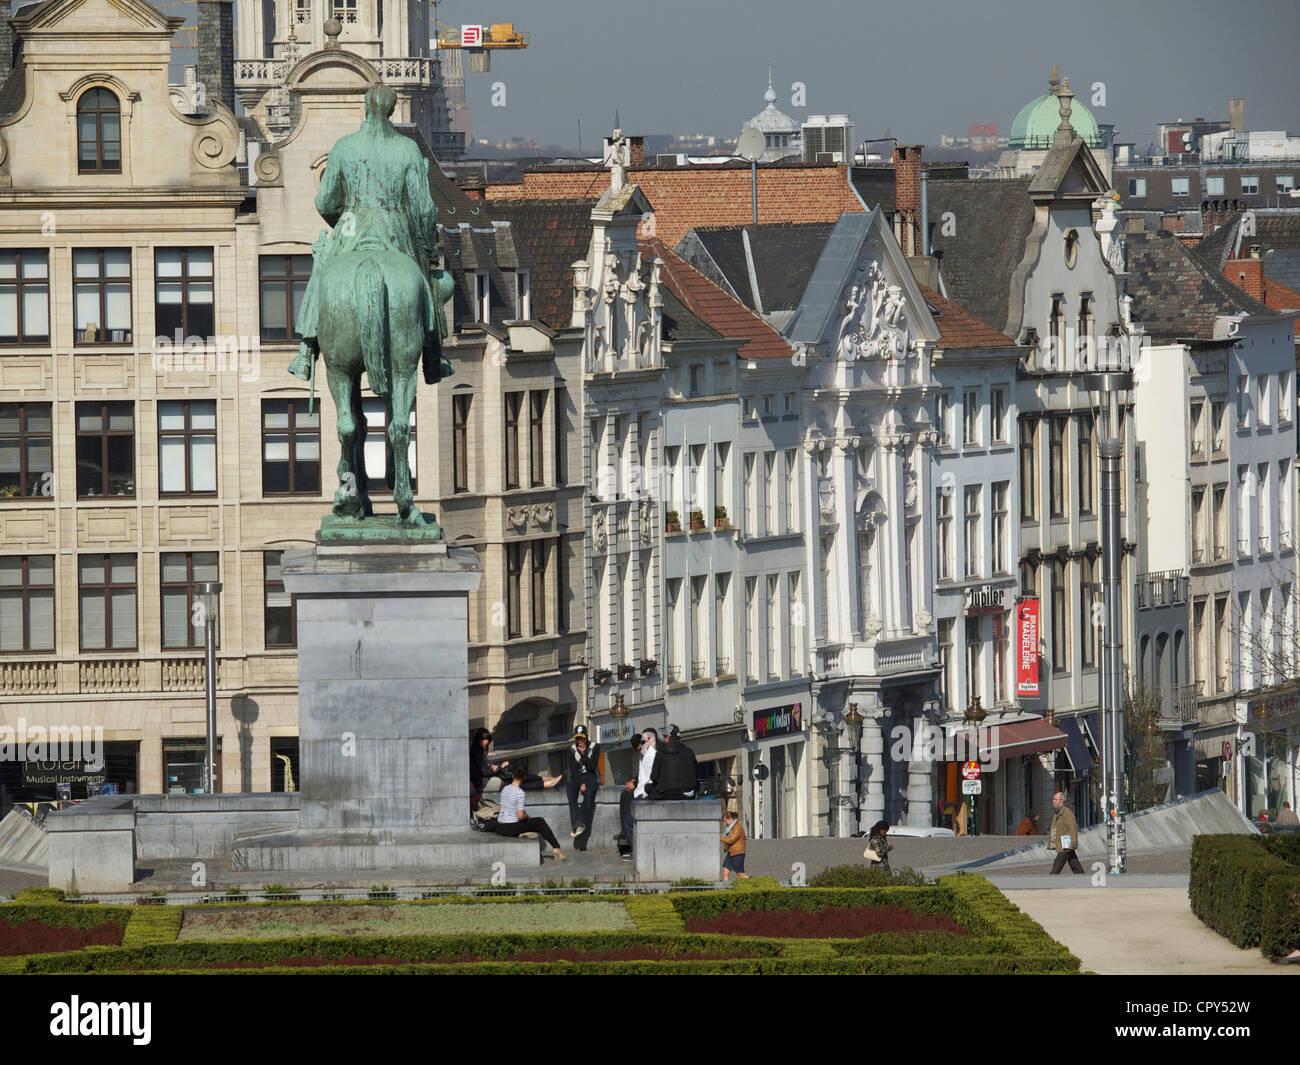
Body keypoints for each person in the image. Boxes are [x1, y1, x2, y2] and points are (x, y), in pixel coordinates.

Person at [494, 766, 564, 860]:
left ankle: (556, 848)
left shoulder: (505, 789)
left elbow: (502, 808)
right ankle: (556, 848)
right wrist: (526, 816)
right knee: (540, 821)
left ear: (513, 775)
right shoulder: (520, 792)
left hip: (500, 827)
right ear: (524, 778)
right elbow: (520, 816)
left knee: (531, 822)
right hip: (509, 828)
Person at [565, 726, 601, 849]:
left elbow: (592, 766)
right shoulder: (571, 750)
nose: (580, 741)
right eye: (578, 738)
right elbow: (573, 770)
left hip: (590, 775)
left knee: (589, 795)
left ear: (586, 738)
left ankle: (580, 823)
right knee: (571, 795)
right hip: (577, 776)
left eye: (582, 738)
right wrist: (581, 783)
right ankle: (577, 824)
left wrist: (584, 754)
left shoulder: (595, 747)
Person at [648, 724, 698, 800]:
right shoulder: (689, 752)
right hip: (687, 793)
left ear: (668, 738)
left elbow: (654, 777)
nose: (664, 739)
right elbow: (695, 773)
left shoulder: (660, 753)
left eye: (664, 737)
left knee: (647, 788)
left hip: (666, 793)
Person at [617, 734, 644, 862]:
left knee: (629, 815)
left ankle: (632, 846)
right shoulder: (643, 754)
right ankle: (624, 832)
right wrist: (634, 780)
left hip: (645, 790)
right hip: (639, 786)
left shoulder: (652, 754)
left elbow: (649, 775)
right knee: (624, 794)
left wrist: (635, 783)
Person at [469, 728, 507, 814]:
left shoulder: (476, 750)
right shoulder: (478, 752)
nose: (487, 742)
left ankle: (540, 781)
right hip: (480, 784)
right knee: (510, 781)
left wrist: (490, 767)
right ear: (480, 739)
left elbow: (481, 768)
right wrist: (500, 767)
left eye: (488, 740)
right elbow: (483, 772)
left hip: (479, 782)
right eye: (485, 739)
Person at [1048, 791, 1085, 874]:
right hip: (1063, 842)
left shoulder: (1067, 813)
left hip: (1066, 843)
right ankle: (1081, 876)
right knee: (1074, 863)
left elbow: (1073, 828)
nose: (1053, 801)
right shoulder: (1057, 813)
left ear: (1061, 801)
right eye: (1053, 799)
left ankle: (1051, 878)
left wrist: (1073, 842)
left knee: (1058, 863)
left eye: (1055, 799)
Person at [720, 810, 750, 881]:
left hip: (738, 853)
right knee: (725, 871)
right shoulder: (731, 828)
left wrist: (720, 838)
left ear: (730, 819)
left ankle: (754, 882)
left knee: (740, 874)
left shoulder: (737, 827)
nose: (725, 823)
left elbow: (731, 840)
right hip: (731, 852)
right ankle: (726, 888)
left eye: (725, 820)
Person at [633, 729, 658, 799]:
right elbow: (642, 774)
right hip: (640, 792)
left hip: (646, 793)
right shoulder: (643, 754)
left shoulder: (654, 754)